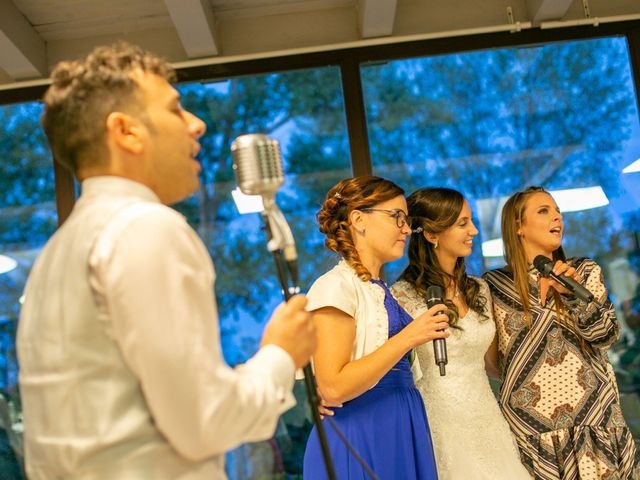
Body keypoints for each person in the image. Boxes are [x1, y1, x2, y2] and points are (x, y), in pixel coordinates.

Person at [16, 42, 316, 480]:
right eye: (175, 109)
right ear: (126, 132)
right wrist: (280, 354)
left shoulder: (56, 254)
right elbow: (204, 422)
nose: (197, 124)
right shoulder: (144, 228)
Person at [482, 186, 640, 479]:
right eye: (544, 211)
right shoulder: (493, 286)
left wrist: (572, 295)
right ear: (518, 226)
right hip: (530, 430)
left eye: (558, 211)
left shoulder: (583, 271)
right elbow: (493, 363)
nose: (558, 217)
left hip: (595, 422)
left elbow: (606, 335)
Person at [302, 176, 446, 479]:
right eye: (397, 217)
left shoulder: (379, 289)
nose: (406, 229)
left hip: (400, 423)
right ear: (358, 220)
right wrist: (409, 337)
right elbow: (332, 386)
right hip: (362, 430)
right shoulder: (334, 287)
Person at [390, 187, 531, 480]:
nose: (474, 230)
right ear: (431, 235)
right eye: (463, 223)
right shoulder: (400, 297)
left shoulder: (479, 289)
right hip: (440, 423)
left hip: (487, 420)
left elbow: (492, 366)